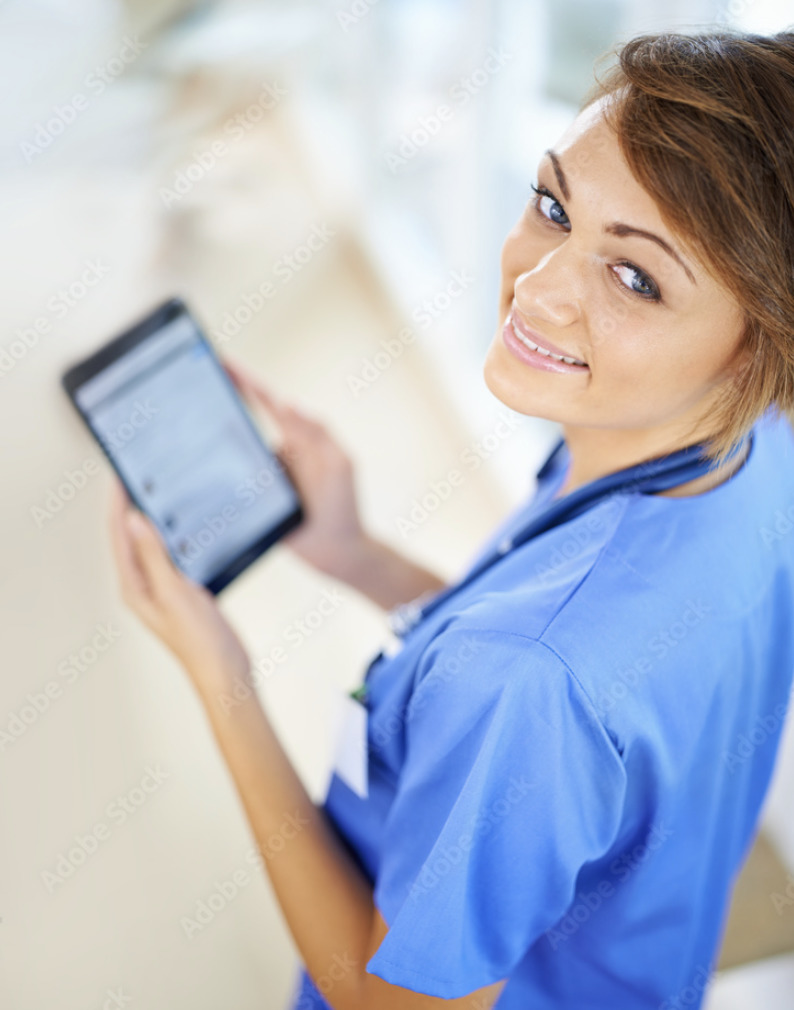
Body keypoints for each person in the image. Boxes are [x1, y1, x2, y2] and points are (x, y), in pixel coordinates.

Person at [108, 27, 794, 1010]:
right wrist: (354, 555)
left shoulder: (527, 683)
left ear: (750, 349)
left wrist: (224, 681)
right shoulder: (740, 454)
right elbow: (572, 687)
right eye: (554, 206)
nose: (537, 285)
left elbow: (391, 1000)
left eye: (634, 277)